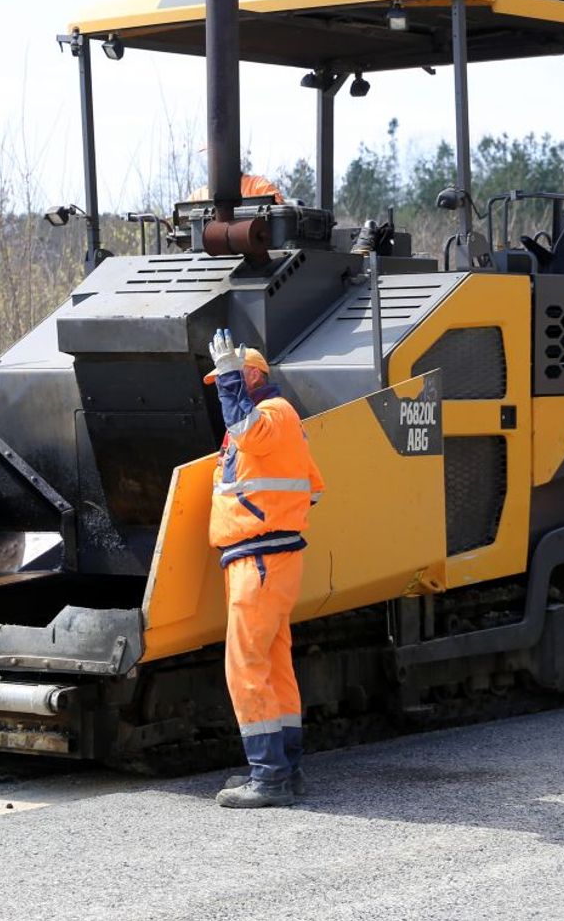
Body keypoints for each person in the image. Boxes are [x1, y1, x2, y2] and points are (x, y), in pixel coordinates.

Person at [204, 329, 324, 808]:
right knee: (273, 665)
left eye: (232, 378)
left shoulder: (271, 416)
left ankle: (269, 776)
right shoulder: (281, 424)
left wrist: (261, 518)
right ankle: (285, 769)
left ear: (252, 374)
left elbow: (248, 431)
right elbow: (313, 488)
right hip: (271, 558)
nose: (224, 387)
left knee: (246, 667)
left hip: (259, 559)